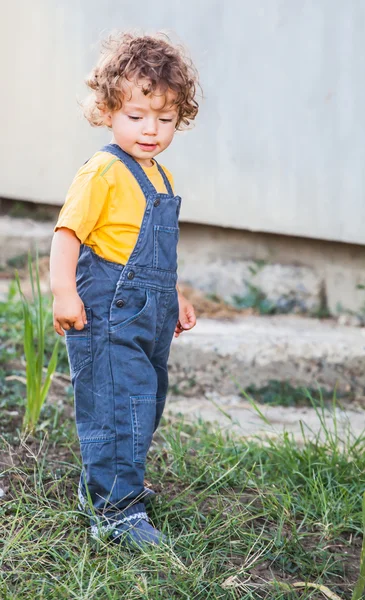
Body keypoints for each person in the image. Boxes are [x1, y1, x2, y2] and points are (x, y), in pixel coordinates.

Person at [49, 32, 199, 549]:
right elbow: (68, 234)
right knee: (119, 401)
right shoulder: (105, 170)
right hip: (107, 309)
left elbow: (155, 248)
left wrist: (173, 295)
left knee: (146, 398)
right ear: (109, 110)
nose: (151, 130)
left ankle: (115, 482)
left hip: (148, 312)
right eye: (136, 116)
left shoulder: (159, 174)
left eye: (165, 118)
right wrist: (63, 292)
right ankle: (115, 511)